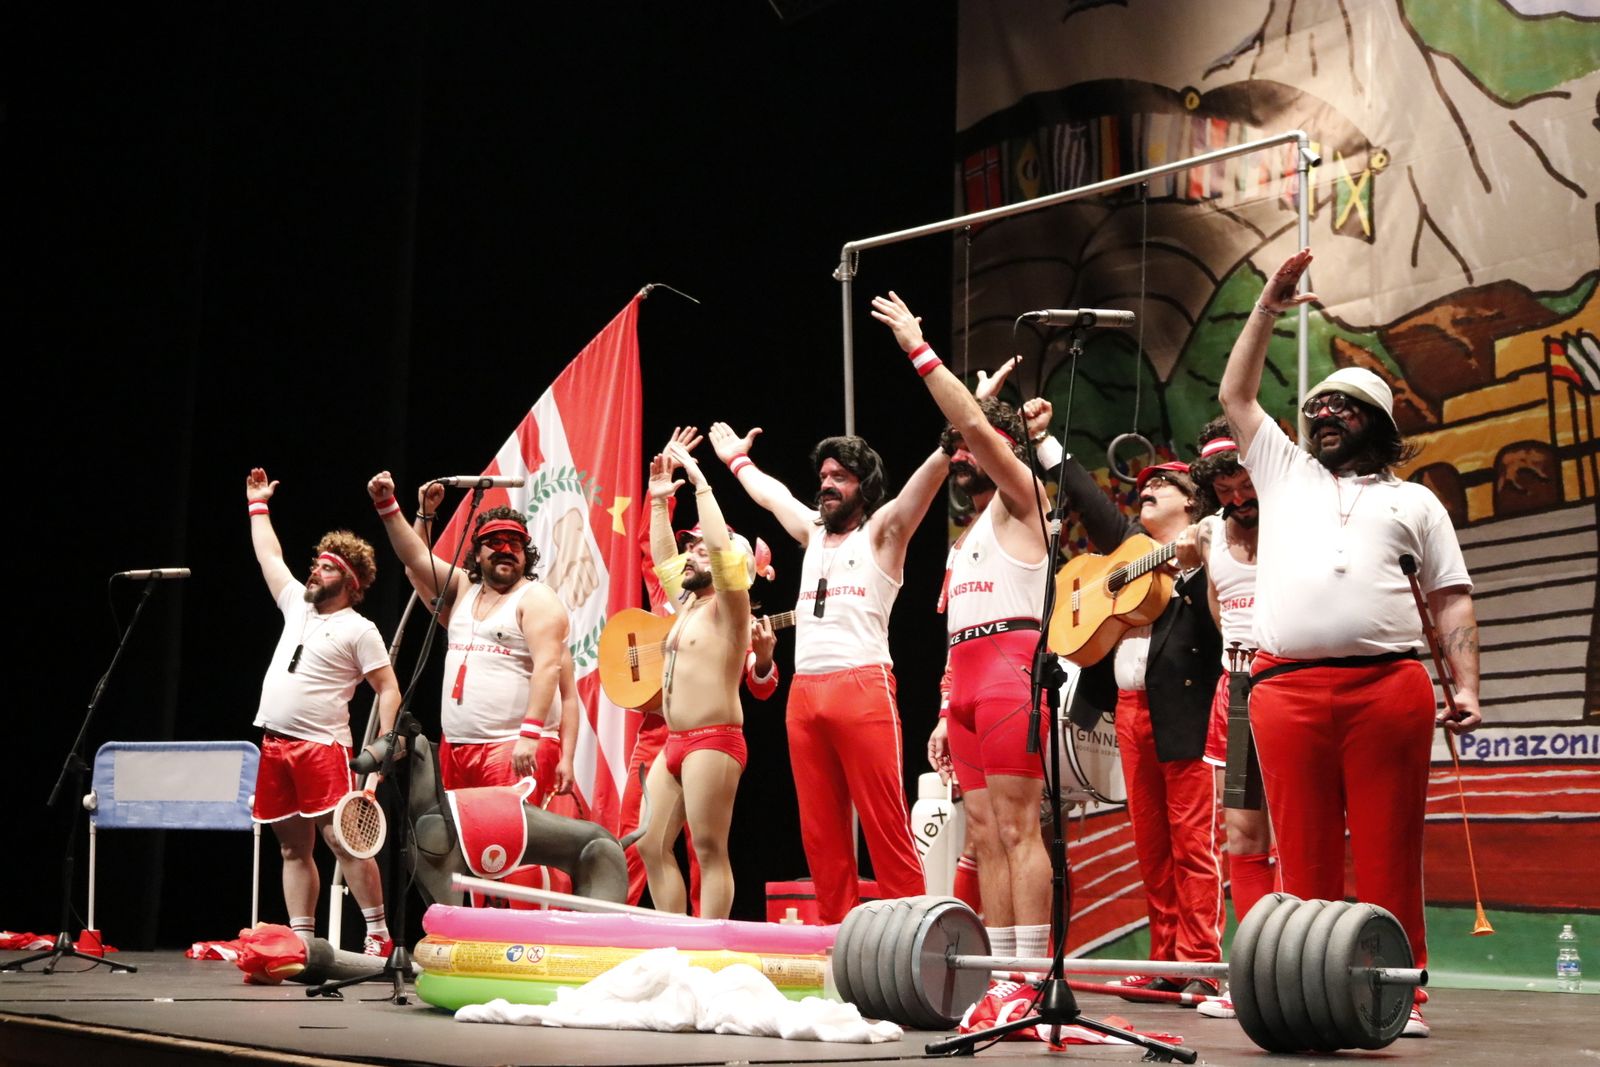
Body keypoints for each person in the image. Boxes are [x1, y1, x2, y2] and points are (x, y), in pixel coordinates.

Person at [1218, 247, 1482, 1039]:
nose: (1323, 416)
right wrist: (1267, 304)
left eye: (1343, 408)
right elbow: (1235, 393)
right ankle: (1316, 991)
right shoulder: (1282, 471)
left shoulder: (1416, 503)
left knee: (1390, 845)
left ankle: (1402, 993)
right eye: (1317, 409)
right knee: (1303, 857)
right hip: (1285, 687)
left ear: (1378, 425)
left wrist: (1466, 686)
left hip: (1387, 689)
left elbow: (1452, 599)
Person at [870, 291, 1053, 1018]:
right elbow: (955, 631)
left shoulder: (1023, 497)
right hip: (970, 684)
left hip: (1012, 673)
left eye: (969, 447)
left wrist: (920, 346)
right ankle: (1005, 977)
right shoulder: (971, 532)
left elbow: (974, 425)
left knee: (1017, 827)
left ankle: (1033, 972)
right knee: (982, 832)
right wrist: (945, 710)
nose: (961, 454)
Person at [705, 414, 946, 923]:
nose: (828, 486)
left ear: (865, 485)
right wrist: (736, 460)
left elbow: (917, 494)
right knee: (820, 832)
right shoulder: (813, 532)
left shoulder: (882, 534)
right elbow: (772, 495)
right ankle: (836, 940)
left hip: (863, 686)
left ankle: (913, 937)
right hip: (806, 694)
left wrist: (951, 443)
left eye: (840, 477)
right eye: (824, 478)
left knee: (885, 824)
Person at [245, 468, 400, 955]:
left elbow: (388, 691)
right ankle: (302, 942)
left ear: (351, 583)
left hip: (322, 748)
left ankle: (377, 933)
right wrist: (257, 506)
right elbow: (270, 555)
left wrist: (382, 750)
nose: (315, 571)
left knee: (345, 843)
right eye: (316, 564)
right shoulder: (296, 604)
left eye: (328, 568)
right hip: (274, 744)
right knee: (293, 848)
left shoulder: (360, 629)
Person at [365, 472, 568, 791]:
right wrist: (389, 505)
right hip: (458, 747)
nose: (506, 549)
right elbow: (416, 561)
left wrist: (529, 736)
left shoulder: (537, 598)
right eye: (495, 542)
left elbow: (548, 667)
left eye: (515, 543)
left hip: (510, 746)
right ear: (477, 552)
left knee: (506, 840)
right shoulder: (464, 586)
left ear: (525, 553)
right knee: (459, 839)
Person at [637, 428, 754, 919]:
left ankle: (710, 951)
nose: (696, 553)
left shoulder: (731, 607)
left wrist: (701, 481)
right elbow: (666, 557)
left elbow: (720, 549)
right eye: (696, 550)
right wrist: (661, 502)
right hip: (675, 742)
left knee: (708, 848)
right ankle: (674, 941)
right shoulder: (688, 604)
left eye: (706, 550)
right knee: (650, 846)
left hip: (714, 739)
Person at [1187, 415, 1275, 1020]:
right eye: (1225, 492)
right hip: (1235, 689)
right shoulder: (1207, 534)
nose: (1238, 500)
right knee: (1241, 837)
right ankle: (1252, 974)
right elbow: (1219, 609)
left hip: (1286, 681)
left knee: (1295, 837)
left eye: (1245, 486)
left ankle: (1295, 969)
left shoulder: (1293, 524)